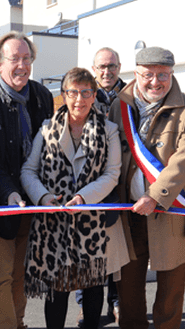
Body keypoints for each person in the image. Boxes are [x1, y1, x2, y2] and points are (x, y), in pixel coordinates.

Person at [20, 67, 128, 329]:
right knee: (57, 291)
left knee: (92, 287)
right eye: (73, 92)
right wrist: (43, 197)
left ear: (93, 96)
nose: (79, 99)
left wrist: (83, 197)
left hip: (93, 222)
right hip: (54, 223)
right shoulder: (47, 128)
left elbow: (112, 174)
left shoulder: (109, 129)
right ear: (64, 95)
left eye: (86, 92)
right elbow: (28, 171)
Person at [108, 46, 185, 329]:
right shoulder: (119, 106)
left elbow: (184, 162)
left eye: (163, 74)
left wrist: (155, 196)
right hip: (129, 213)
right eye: (148, 74)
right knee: (128, 290)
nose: (155, 81)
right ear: (135, 74)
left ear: (171, 74)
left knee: (170, 293)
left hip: (169, 211)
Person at [0, 31, 54, 329]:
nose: (22, 65)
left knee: (21, 273)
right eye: (14, 59)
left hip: (34, 204)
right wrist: (9, 194)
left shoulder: (42, 96)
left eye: (27, 58)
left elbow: (50, 149)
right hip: (0, 206)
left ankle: (18, 323)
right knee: (1, 277)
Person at [75, 47, 126, 326]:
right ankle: (85, 303)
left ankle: (116, 301)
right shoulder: (84, 96)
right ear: (94, 69)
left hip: (120, 180)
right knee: (87, 246)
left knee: (117, 248)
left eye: (112, 66)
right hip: (87, 183)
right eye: (102, 67)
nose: (107, 72)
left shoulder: (130, 97)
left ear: (120, 67)